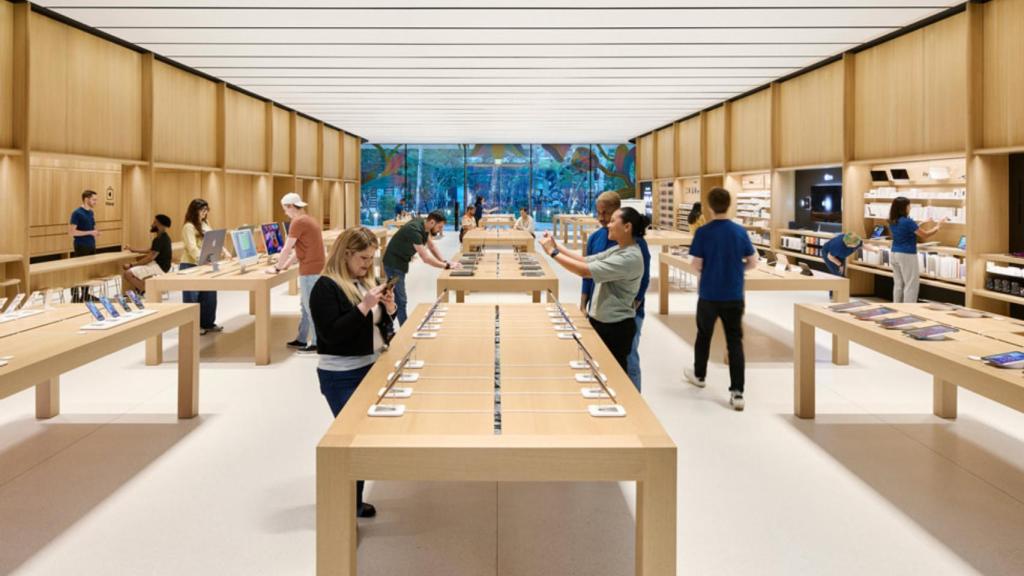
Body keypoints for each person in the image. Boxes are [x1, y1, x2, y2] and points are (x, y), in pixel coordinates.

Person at [310, 227, 397, 519]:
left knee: (363, 437)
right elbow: (332, 335)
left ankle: (353, 500)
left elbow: (377, 326)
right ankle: (348, 504)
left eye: (372, 259)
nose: (367, 265)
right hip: (342, 375)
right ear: (345, 254)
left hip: (370, 366)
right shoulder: (326, 287)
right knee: (353, 438)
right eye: (362, 258)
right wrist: (364, 306)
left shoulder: (362, 282)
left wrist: (389, 309)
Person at [540, 207, 646, 372]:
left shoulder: (629, 257)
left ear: (627, 227)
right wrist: (557, 246)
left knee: (613, 378)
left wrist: (552, 253)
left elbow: (585, 271)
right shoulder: (619, 249)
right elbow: (585, 260)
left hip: (615, 328)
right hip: (602, 322)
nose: (608, 225)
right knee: (597, 372)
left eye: (613, 221)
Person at [683, 187, 758, 411]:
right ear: (730, 204)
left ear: (709, 206)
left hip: (708, 294)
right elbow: (753, 262)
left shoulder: (703, 233)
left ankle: (699, 375)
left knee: (703, 335)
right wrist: (737, 269)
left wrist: (709, 270)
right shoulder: (739, 231)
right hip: (734, 294)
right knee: (734, 340)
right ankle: (737, 392)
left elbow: (696, 264)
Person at [268, 193, 325, 354]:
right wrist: (285, 265)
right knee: (305, 306)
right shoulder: (308, 219)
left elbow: (287, 248)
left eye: (285, 209)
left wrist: (277, 268)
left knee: (310, 306)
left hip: (310, 269)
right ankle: (301, 338)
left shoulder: (297, 222)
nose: (285, 213)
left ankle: (316, 342)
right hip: (315, 267)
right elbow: (300, 249)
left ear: (291, 207)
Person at [381, 211, 460, 325]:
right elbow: (426, 258)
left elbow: (431, 246)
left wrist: (445, 262)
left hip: (399, 263)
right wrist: (446, 266)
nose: (439, 230)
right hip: (394, 264)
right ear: (432, 222)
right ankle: (404, 328)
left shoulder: (424, 225)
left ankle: (388, 327)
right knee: (400, 299)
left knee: (391, 294)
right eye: (439, 227)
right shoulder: (414, 230)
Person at [181, 198, 224, 335]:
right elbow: (192, 248)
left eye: (206, 210)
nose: (204, 213)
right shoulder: (188, 226)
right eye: (202, 210)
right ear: (194, 211)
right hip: (191, 264)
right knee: (192, 298)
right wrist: (203, 259)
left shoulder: (205, 223)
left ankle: (208, 323)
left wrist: (222, 252)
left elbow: (213, 239)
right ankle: (193, 326)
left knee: (209, 296)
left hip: (206, 264)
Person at [889, 196, 942, 303]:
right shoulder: (908, 222)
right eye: (909, 205)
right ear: (904, 207)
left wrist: (922, 222)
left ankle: (896, 306)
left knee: (898, 283)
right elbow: (925, 235)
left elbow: (908, 230)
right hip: (906, 255)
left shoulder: (893, 221)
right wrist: (937, 227)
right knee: (911, 284)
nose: (910, 207)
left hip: (894, 253)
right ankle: (910, 309)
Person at [580, 191, 621, 314]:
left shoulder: (631, 241)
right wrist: (583, 305)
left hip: (620, 312)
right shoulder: (594, 238)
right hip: (596, 308)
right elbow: (587, 274)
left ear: (617, 211)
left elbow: (643, 279)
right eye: (598, 213)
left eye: (605, 213)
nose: (601, 218)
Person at [122, 214, 173, 294]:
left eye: (154, 222)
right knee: (136, 268)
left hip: (159, 267)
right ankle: (144, 290)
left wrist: (132, 265)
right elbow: (150, 250)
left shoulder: (160, 239)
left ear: (160, 225)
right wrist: (132, 249)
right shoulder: (163, 238)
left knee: (128, 273)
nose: (152, 224)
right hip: (160, 265)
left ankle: (147, 291)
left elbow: (150, 257)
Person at [69, 190, 100, 257]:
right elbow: (72, 232)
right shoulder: (77, 213)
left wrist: (96, 232)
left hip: (92, 245)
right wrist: (90, 232)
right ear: (86, 199)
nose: (96, 202)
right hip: (81, 246)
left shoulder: (91, 212)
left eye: (96, 200)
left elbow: (91, 228)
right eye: (94, 200)